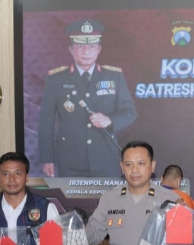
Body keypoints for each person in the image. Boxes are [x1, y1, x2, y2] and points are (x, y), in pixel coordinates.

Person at [38, 19, 137, 178]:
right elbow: (46, 121)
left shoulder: (114, 76)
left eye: (91, 46)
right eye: (80, 46)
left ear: (99, 49)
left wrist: (109, 120)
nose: (86, 51)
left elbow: (130, 113)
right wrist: (47, 158)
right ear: (71, 49)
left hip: (106, 158)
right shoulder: (56, 79)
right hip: (70, 160)